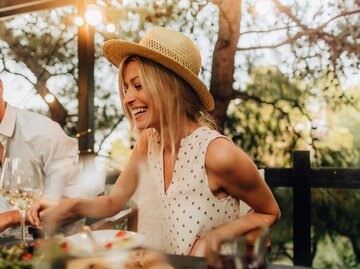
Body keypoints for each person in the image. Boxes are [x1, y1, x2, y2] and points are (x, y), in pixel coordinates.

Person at [28, 27, 280, 259]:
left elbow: (269, 212)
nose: (128, 98)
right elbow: (113, 203)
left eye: (138, 85)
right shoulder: (148, 141)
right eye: (126, 88)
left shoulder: (217, 153)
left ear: (170, 87)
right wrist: (68, 204)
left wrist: (216, 237)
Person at [0, 79, 95, 234]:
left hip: (50, 247)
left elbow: (77, 200)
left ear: (0, 86)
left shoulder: (44, 134)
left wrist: (13, 217)